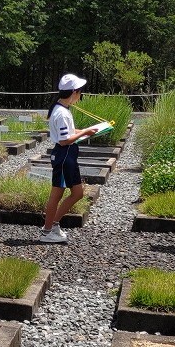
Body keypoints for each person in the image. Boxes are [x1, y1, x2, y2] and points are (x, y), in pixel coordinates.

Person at [39, 73, 99, 244]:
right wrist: (86, 132)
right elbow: (65, 140)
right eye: (80, 92)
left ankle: (51, 226)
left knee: (75, 193)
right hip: (65, 155)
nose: (80, 96)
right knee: (59, 195)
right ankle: (48, 230)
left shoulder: (60, 109)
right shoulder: (62, 113)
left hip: (65, 155)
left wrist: (87, 130)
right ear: (73, 92)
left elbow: (68, 133)